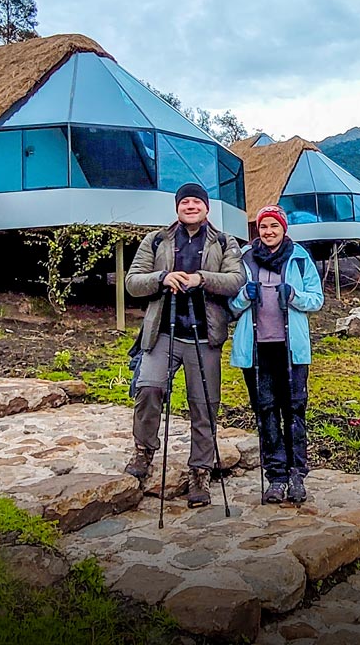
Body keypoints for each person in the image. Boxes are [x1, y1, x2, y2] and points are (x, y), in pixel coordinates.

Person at [124, 182, 244, 508]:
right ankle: (144, 451)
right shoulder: (156, 240)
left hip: (205, 336)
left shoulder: (224, 241)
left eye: (196, 201)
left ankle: (200, 472)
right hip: (163, 332)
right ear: (177, 207)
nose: (190, 206)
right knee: (148, 388)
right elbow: (132, 282)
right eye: (185, 201)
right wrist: (162, 277)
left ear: (207, 208)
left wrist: (201, 278)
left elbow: (236, 279)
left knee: (204, 405)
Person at [229, 205, 323, 504]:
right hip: (257, 349)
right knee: (265, 411)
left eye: (274, 226)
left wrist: (294, 297)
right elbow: (229, 304)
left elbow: (317, 299)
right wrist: (245, 296)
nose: (268, 231)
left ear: (284, 229)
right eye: (264, 226)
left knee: (294, 410)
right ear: (257, 229)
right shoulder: (244, 259)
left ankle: (297, 474)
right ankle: (276, 477)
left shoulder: (299, 258)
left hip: (291, 348)